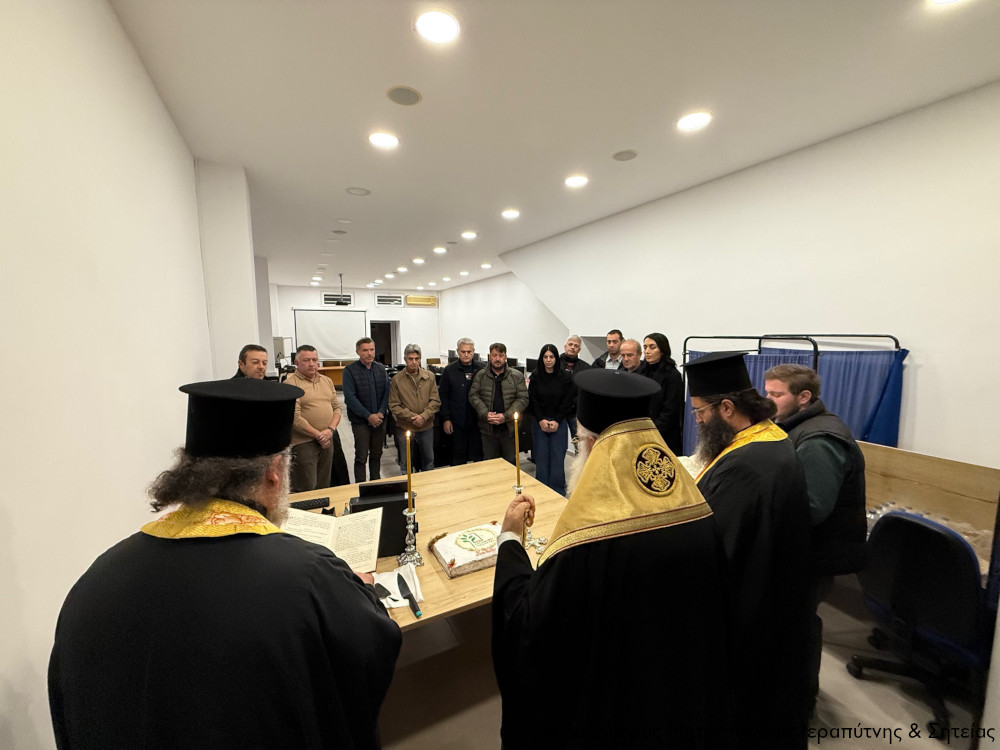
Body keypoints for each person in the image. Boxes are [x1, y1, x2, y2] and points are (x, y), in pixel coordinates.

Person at [48, 378, 401, 749]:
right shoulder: (308, 576)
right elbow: (371, 648)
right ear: (275, 470)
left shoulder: (98, 577)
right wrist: (361, 590)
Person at [492, 370, 733, 748]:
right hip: (683, 703)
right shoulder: (697, 509)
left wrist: (509, 540)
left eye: (578, 442)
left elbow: (531, 629)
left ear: (591, 444)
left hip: (616, 712)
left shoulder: (586, 540)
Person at [686, 351, 811, 749]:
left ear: (726, 407)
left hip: (749, 617)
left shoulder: (746, 464)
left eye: (700, 412)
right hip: (775, 604)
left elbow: (715, 549)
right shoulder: (770, 437)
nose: (698, 421)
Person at [765, 363, 867, 714]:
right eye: (767, 392)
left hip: (814, 552)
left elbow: (811, 508)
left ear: (803, 397)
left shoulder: (820, 439)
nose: (768, 400)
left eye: (776, 394)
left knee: (798, 625)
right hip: (804, 549)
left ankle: (799, 703)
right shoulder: (796, 427)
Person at [285, 344, 342, 492]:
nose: (311, 364)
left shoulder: (326, 381)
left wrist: (330, 430)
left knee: (324, 485)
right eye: (306, 360)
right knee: (307, 487)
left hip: (327, 439)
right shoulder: (290, 384)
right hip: (304, 443)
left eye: (314, 360)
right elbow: (294, 418)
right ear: (296, 363)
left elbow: (337, 408)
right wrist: (319, 435)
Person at [468, 342, 528, 464]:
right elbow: (473, 396)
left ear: (505, 357)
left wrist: (505, 416)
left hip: (509, 429)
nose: (497, 359)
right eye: (494, 355)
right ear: (489, 356)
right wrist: (485, 414)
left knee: (510, 463)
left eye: (501, 355)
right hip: (488, 429)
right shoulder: (481, 375)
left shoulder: (517, 376)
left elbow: (523, 398)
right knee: (490, 464)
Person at [527, 344, 574, 495]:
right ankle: (541, 490)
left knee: (557, 457)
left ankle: (558, 491)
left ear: (556, 358)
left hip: (559, 422)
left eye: (551, 357)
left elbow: (567, 401)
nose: (548, 360)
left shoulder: (565, 377)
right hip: (539, 422)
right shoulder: (535, 376)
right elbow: (532, 400)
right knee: (541, 457)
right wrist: (541, 419)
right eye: (545, 357)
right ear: (541, 359)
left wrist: (557, 420)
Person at [342, 337, 390, 482]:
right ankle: (361, 486)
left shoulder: (381, 369)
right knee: (361, 457)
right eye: (365, 350)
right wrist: (368, 416)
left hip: (380, 420)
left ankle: (376, 484)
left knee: (377, 454)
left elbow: (387, 393)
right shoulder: (349, 371)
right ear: (358, 352)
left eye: (372, 350)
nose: (369, 353)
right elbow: (350, 398)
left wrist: (381, 412)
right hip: (360, 422)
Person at [388, 343, 441, 472]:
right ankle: (408, 484)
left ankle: (427, 484)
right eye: (410, 359)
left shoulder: (429, 377)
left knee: (429, 461)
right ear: (405, 359)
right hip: (405, 426)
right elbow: (393, 405)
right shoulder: (397, 379)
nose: (414, 362)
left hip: (426, 425)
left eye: (417, 359)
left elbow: (435, 401)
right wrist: (412, 417)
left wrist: (423, 416)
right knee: (406, 463)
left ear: (420, 359)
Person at [439, 337, 485, 465]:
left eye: (469, 352)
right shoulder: (449, 370)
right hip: (457, 422)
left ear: (473, 352)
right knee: (458, 457)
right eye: (463, 351)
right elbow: (443, 396)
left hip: (478, 421)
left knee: (478, 457)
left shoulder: (482, 369)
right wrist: (446, 418)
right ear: (458, 352)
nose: (466, 354)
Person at [637, 332, 684, 454]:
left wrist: (651, 431)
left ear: (662, 350)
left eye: (652, 347)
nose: (647, 351)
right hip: (640, 433)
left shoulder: (672, 375)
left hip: (664, 436)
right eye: (645, 347)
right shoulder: (641, 372)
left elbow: (670, 410)